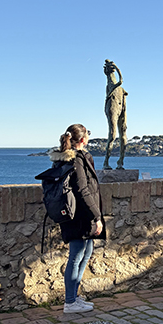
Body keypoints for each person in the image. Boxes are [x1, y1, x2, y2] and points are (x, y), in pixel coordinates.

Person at [49, 123, 105, 313]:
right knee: (76, 255)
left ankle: (74, 296)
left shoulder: (69, 158)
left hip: (79, 214)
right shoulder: (75, 160)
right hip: (78, 215)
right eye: (87, 134)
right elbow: (82, 190)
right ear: (83, 139)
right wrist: (97, 216)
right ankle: (70, 302)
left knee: (86, 251)